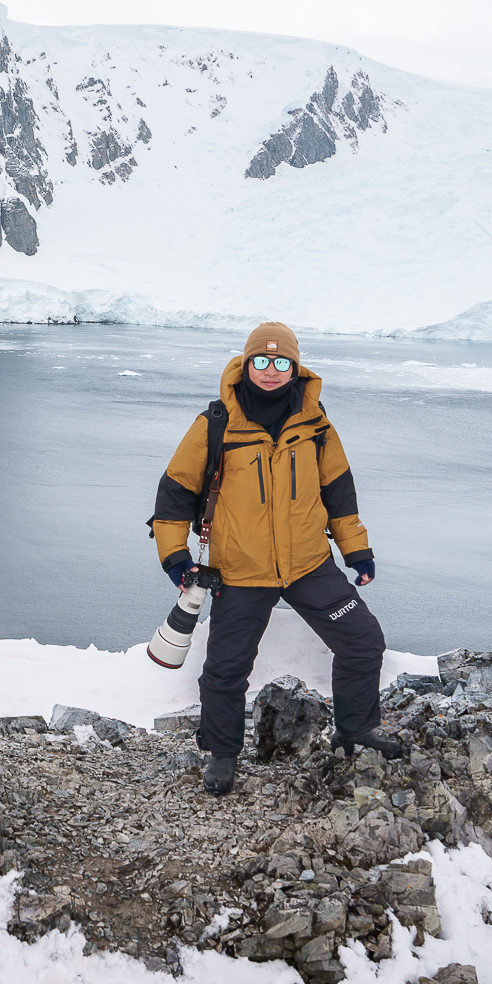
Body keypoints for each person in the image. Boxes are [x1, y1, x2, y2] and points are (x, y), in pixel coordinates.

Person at [150, 322, 402, 795]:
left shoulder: (316, 424)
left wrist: (357, 548)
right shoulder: (216, 424)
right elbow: (174, 495)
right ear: (246, 365)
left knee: (363, 640)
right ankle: (223, 754)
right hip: (241, 569)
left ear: (295, 367)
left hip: (308, 563)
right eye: (260, 362)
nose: (270, 371)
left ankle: (355, 731)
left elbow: (339, 494)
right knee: (226, 667)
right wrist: (175, 555)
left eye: (281, 362)